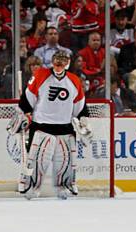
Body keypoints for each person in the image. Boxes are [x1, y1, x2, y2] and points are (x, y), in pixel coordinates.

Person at [7, 50, 93, 200]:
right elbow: (28, 98)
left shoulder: (74, 80)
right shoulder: (41, 75)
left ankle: (64, 187)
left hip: (65, 126)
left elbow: (79, 105)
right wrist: (22, 113)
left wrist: (83, 118)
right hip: (41, 125)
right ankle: (31, 186)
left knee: (65, 160)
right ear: (52, 62)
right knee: (38, 159)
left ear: (68, 63)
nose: (59, 65)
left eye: (63, 61)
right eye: (57, 61)